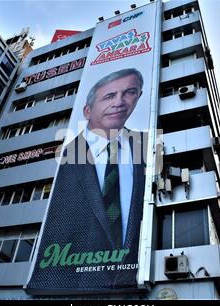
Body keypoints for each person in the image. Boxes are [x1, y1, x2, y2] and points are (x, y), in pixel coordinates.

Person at [28, 68, 148, 294]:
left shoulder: (148, 146)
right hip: (66, 289)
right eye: (109, 96)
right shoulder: (66, 154)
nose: (120, 102)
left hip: (136, 286)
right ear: (87, 110)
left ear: (138, 97)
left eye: (130, 92)